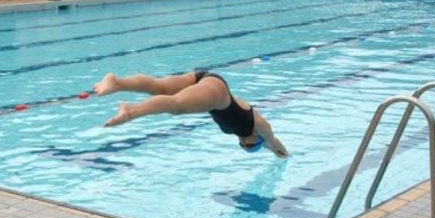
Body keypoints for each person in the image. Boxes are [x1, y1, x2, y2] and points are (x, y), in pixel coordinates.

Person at [93, 71, 289, 158]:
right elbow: (272, 140)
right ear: (258, 139)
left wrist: (273, 152)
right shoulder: (258, 125)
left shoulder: (243, 131)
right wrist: (280, 151)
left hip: (207, 81)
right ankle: (131, 111)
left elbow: (268, 145)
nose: (245, 142)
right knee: (177, 106)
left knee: (160, 87)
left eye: (243, 145)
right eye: (250, 144)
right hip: (217, 93)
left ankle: (117, 83)